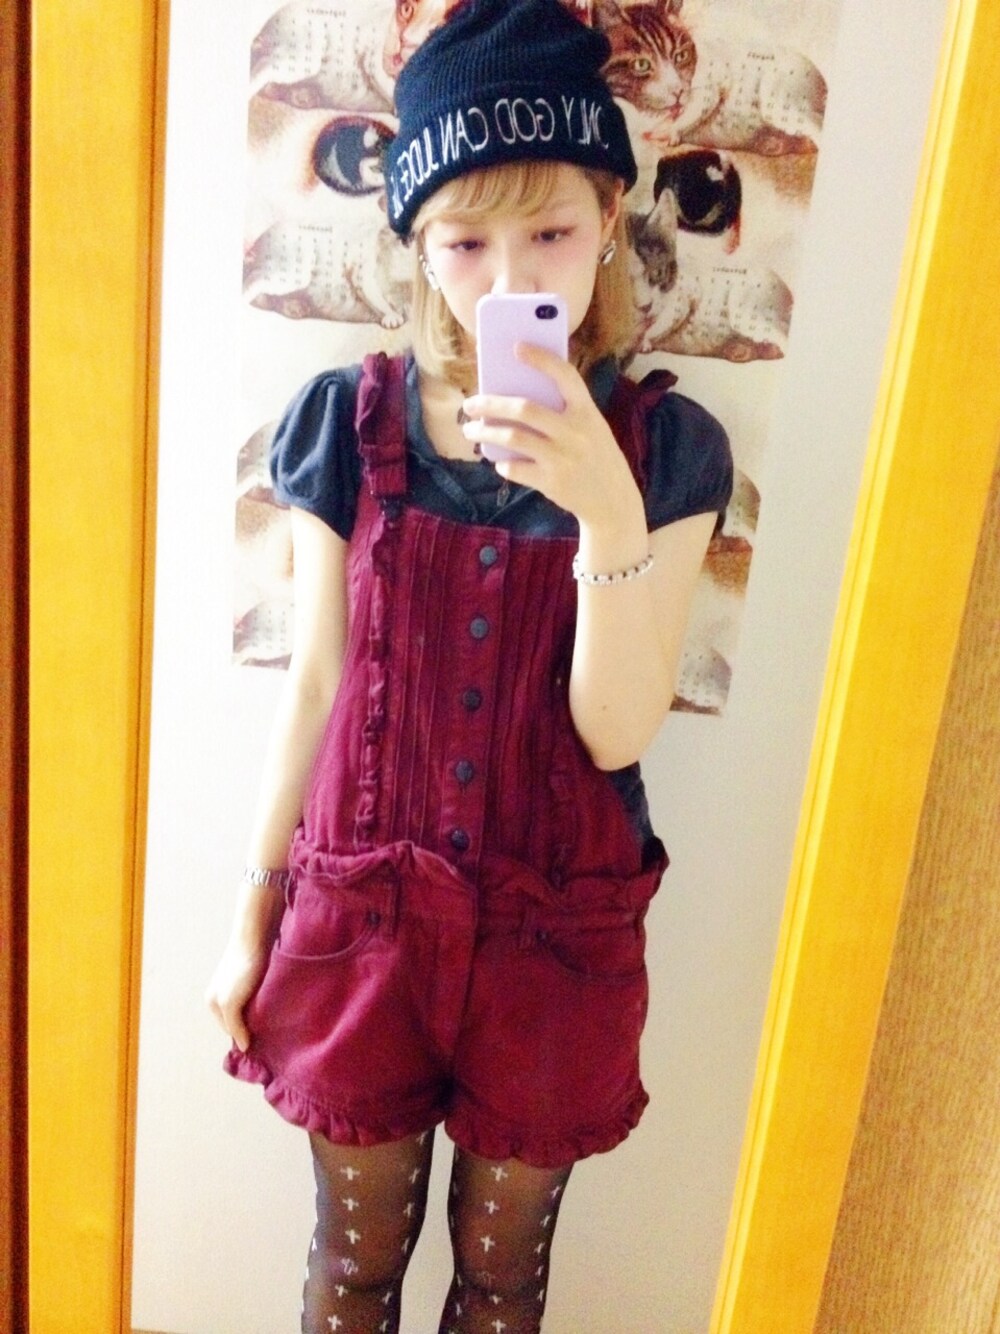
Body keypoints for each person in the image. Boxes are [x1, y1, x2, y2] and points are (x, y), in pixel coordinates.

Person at [207, 0, 732, 1329]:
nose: (507, 281)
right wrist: (250, 916)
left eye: (548, 230)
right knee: (352, 1269)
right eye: (464, 241)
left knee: (501, 1284)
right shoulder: (345, 423)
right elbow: (316, 685)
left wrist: (606, 514)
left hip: (555, 943)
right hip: (362, 923)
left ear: (609, 214)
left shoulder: (670, 452)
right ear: (418, 243)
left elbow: (615, 734)